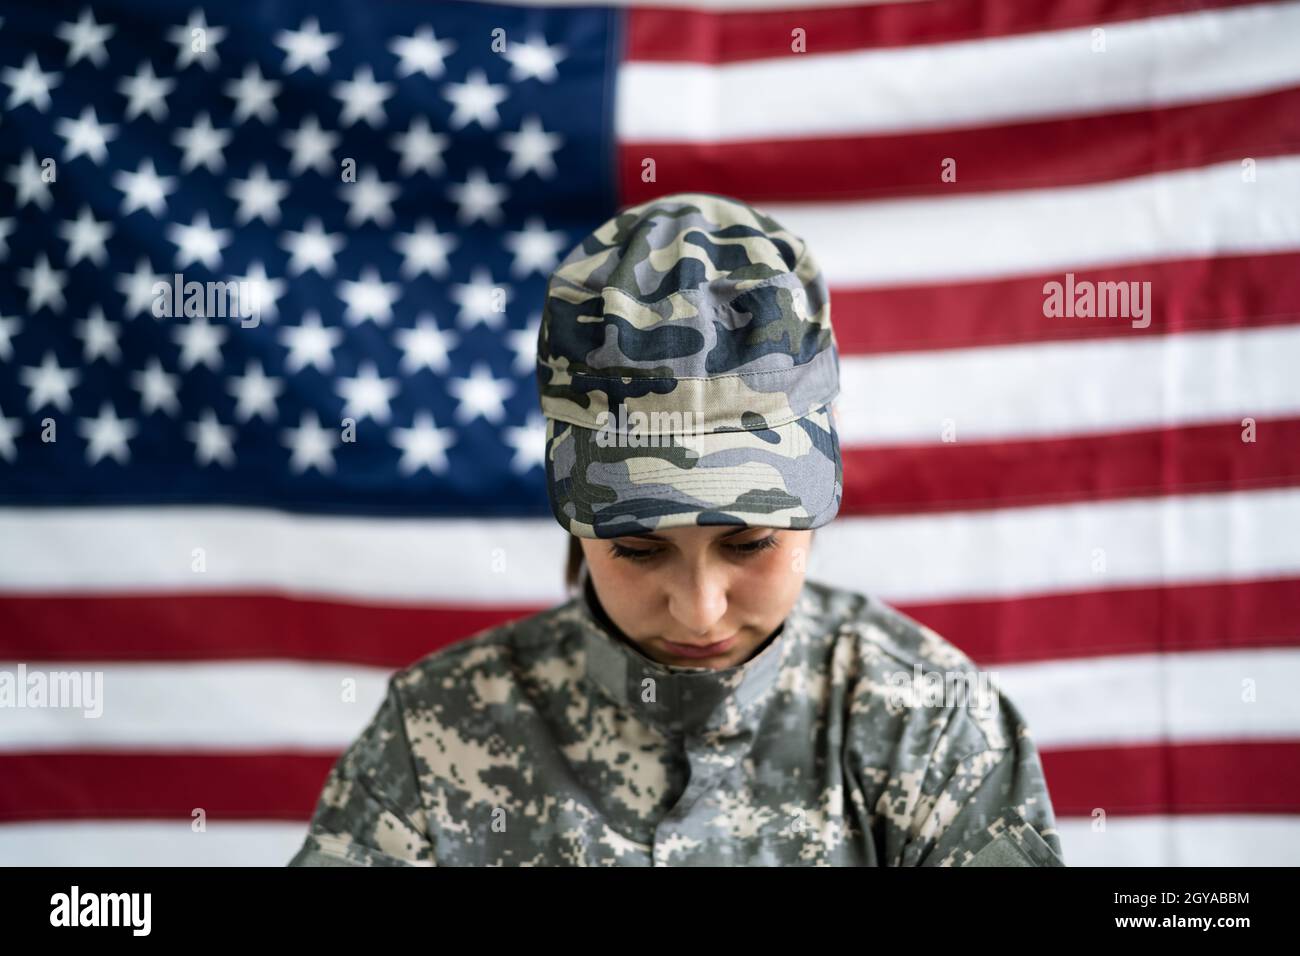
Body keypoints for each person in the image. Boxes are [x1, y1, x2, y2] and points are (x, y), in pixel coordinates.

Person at [287, 192, 1066, 867]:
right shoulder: (435, 735)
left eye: (749, 543)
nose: (700, 610)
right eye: (638, 547)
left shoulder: (924, 720)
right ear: (576, 520)